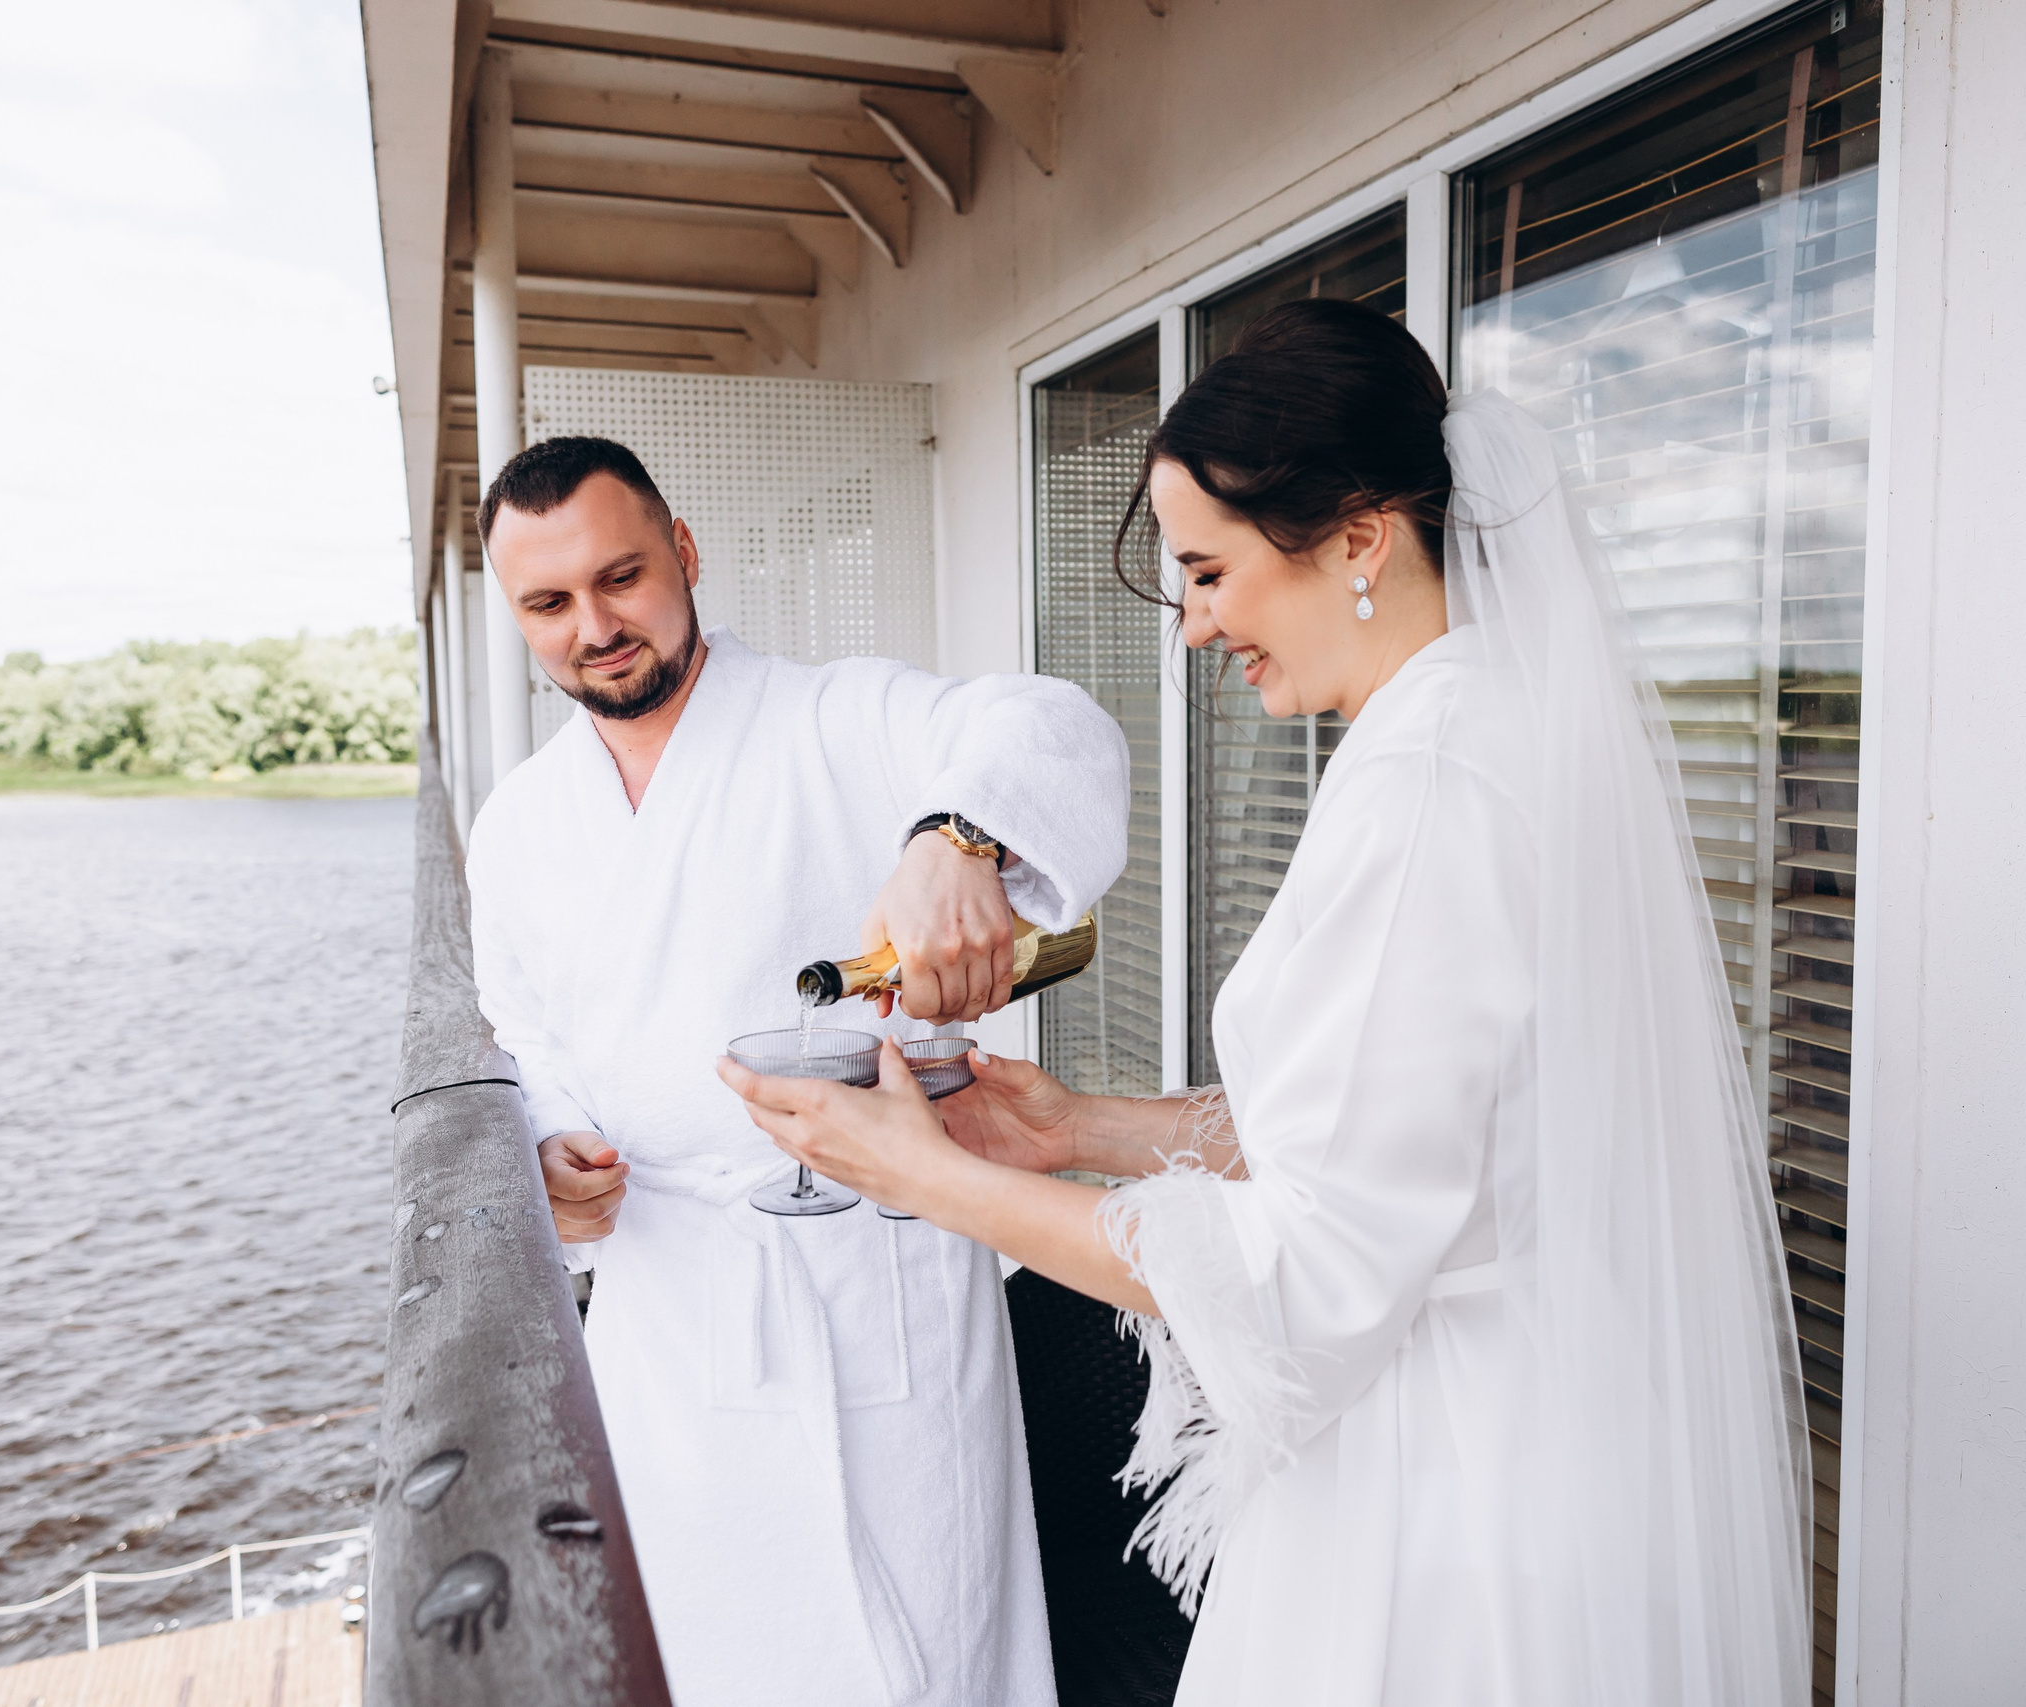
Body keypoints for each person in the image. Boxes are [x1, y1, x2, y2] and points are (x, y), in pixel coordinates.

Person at [719, 300, 1814, 1705]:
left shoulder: (1431, 791)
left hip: (1437, 1500)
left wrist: (927, 1177)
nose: (1191, 627)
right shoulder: (1464, 731)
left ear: (1359, 535)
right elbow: (1396, 1138)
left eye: (1210, 571)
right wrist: (1076, 1125)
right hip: (1523, 1438)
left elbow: (1302, 1288)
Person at [466, 435, 1129, 1707]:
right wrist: (553, 1150)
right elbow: (529, 1036)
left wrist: (957, 835)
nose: (594, 626)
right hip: (668, 1288)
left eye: (623, 577)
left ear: (685, 554)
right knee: (718, 1644)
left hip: (873, 1279)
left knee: (927, 1642)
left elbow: (1052, 725)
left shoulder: (839, 717)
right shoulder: (520, 825)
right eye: (548, 604)